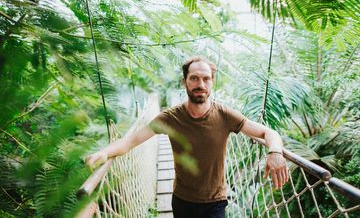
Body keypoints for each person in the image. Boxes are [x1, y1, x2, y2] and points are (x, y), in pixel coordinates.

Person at [85, 56, 288, 218]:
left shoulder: (225, 115)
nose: (200, 84)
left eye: (206, 78)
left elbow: (268, 132)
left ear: (212, 83)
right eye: (194, 78)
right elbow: (131, 141)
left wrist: (275, 152)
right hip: (182, 201)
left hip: (215, 203)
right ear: (184, 82)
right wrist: (104, 152)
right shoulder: (170, 118)